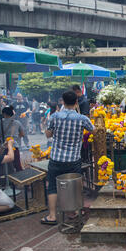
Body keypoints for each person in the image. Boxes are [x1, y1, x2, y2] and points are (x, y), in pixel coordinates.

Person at [41, 91, 95, 225]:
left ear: (63, 102)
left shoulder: (55, 117)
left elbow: (48, 134)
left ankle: (52, 216)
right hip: (73, 159)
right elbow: (93, 131)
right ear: (76, 102)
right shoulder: (82, 118)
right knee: (74, 186)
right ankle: (74, 212)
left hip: (56, 158)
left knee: (53, 186)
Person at [0, 106, 25, 172]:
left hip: (3, 147)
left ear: (4, 114)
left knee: (5, 168)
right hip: (14, 147)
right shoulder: (17, 122)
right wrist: (16, 138)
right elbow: (22, 134)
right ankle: (18, 181)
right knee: (17, 166)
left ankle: (8, 181)